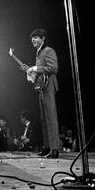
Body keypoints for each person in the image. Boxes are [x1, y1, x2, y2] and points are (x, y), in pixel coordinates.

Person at [26, 29, 60, 158]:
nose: (33, 40)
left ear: (43, 38)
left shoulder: (48, 50)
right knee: (44, 119)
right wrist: (31, 73)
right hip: (42, 86)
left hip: (49, 85)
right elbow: (40, 72)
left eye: (35, 37)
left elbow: (53, 68)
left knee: (51, 117)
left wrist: (36, 68)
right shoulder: (38, 53)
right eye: (32, 38)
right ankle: (47, 147)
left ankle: (55, 149)